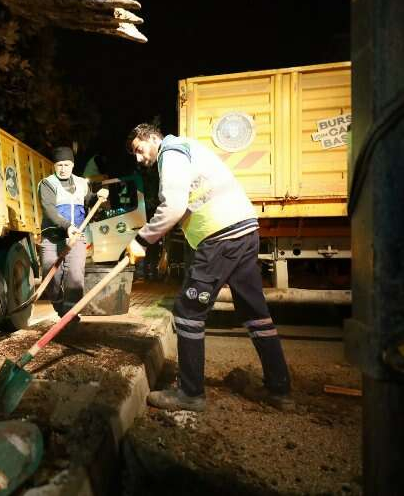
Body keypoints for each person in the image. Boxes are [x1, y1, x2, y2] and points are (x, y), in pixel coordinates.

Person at [125, 122, 291, 412]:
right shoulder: (190, 148)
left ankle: (190, 394)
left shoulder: (171, 152)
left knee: (188, 312)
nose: (139, 159)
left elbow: (173, 206)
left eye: (139, 150)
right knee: (254, 312)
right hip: (244, 230)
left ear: (151, 137)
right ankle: (280, 390)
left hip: (220, 236)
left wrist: (142, 240)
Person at [38, 146, 108, 324]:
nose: (63, 169)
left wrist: (97, 196)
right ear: (54, 166)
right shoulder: (47, 184)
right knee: (50, 276)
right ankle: (60, 306)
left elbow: (88, 200)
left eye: (66, 164)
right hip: (53, 237)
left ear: (72, 165)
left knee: (75, 277)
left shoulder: (82, 183)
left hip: (77, 236)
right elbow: (49, 210)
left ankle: (70, 314)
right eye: (59, 165)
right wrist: (67, 226)